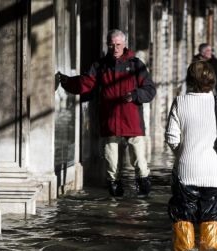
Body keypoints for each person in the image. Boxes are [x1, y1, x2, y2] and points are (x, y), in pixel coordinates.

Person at [56, 29, 156, 197]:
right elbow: (86, 83)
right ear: (107, 45)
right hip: (110, 122)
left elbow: (150, 90)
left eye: (118, 45)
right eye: (111, 45)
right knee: (111, 165)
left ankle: (143, 194)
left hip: (132, 122)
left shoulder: (136, 65)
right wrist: (67, 82)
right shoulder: (100, 65)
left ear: (124, 45)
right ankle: (115, 198)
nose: (115, 48)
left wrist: (135, 95)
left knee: (140, 162)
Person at [165, 60, 217, 251]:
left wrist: (183, 154)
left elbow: (171, 137)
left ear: (190, 79)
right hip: (214, 173)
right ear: (212, 79)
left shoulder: (180, 101)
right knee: (210, 217)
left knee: (183, 217)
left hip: (186, 173)